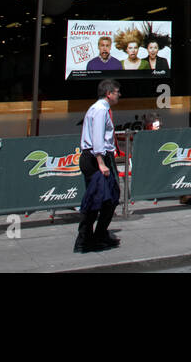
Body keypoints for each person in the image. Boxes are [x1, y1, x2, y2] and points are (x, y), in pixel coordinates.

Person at [76, 79, 121, 253]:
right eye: (117, 92)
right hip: (95, 159)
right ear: (109, 94)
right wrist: (101, 162)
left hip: (98, 157)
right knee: (97, 201)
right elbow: (97, 138)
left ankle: (99, 235)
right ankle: (85, 240)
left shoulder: (101, 109)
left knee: (110, 198)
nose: (119, 95)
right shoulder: (100, 110)